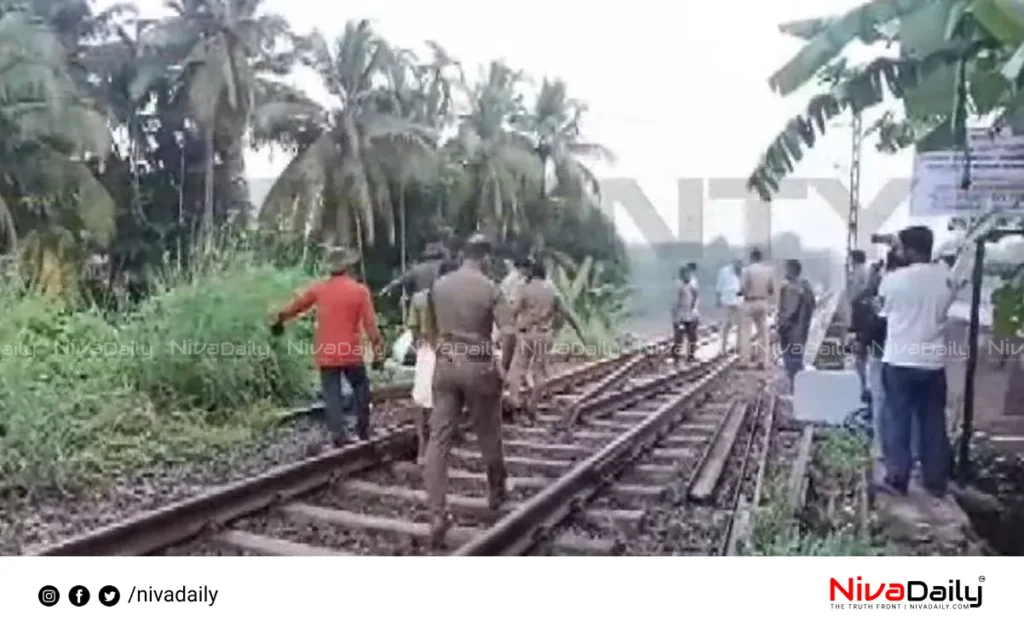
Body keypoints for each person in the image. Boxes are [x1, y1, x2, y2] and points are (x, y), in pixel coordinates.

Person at [422, 233, 508, 548]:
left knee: (438, 440)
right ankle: (496, 492)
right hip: (479, 366)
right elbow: (509, 333)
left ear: (463, 254)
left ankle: (436, 514)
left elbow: (429, 330)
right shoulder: (491, 289)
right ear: (484, 257)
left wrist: (443, 351)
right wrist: (505, 365)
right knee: (488, 432)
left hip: (445, 366)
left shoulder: (439, 285)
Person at [271, 246, 384, 447]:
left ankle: (338, 435)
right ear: (348, 267)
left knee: (331, 393)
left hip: (327, 352)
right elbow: (371, 326)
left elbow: (296, 306)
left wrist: (280, 319)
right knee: (361, 387)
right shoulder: (359, 291)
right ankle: (363, 430)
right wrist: (378, 354)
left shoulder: (319, 289)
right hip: (350, 351)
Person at [878, 226, 958, 498]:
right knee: (933, 421)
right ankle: (936, 481)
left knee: (897, 419)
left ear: (909, 250)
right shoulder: (946, 277)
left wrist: (891, 263)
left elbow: (882, 309)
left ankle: (897, 479)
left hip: (899, 360)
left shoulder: (894, 279)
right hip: (932, 362)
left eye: (900, 247)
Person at [506, 260, 584, 420]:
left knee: (519, 367)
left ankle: (515, 402)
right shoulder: (552, 291)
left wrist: (509, 326)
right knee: (539, 371)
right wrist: (580, 333)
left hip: (526, 334)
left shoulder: (524, 289)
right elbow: (566, 313)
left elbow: (513, 311)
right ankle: (532, 406)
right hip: (545, 335)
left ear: (532, 273)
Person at [408, 258, 458, 465]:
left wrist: (418, 342)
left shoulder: (420, 298)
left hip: (427, 350)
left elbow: (413, 328)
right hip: (448, 350)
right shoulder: (458, 299)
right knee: (444, 398)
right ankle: (437, 445)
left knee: (421, 398)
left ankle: (423, 445)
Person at [777, 259, 816, 393]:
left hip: (790, 330)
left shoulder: (788, 287)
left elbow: (787, 310)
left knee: (790, 361)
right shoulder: (806, 286)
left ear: (790, 270)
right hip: (802, 329)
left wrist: (781, 324)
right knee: (797, 358)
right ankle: (798, 387)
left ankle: (795, 389)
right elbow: (813, 305)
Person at [739, 247, 776, 369]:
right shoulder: (768, 271)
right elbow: (771, 290)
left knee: (745, 332)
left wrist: (740, 293)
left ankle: (744, 361)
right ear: (761, 258)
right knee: (763, 333)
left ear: (752, 257)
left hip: (749, 302)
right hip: (762, 302)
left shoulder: (747, 270)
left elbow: (743, 288)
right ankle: (762, 361)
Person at [497, 256, 532, 376]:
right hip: (512, 319)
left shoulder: (508, 279)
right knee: (512, 353)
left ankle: (504, 378)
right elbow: (513, 302)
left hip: (506, 318)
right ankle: (506, 378)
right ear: (523, 268)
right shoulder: (517, 281)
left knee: (509, 353)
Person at [378, 242, 450, 298]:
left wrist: (386, 288)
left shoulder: (418, 269)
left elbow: (400, 280)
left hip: (421, 298)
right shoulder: (443, 266)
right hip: (437, 298)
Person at [847, 249, 870, 398]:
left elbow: (857, 292)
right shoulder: (864, 271)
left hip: (860, 313)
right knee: (861, 352)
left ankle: (862, 386)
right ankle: (862, 384)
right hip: (862, 312)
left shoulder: (858, 272)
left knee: (860, 352)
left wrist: (853, 301)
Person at [671, 265, 700, 363]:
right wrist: (677, 319)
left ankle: (691, 356)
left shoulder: (693, 283)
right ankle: (676, 357)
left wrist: (695, 310)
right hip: (680, 315)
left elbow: (696, 297)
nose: (688, 276)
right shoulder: (678, 286)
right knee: (679, 339)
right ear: (682, 275)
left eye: (689, 274)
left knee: (693, 337)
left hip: (692, 314)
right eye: (686, 274)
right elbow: (674, 303)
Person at [716, 259, 742, 355]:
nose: (739, 264)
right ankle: (722, 348)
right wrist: (718, 299)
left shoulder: (743, 271)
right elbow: (718, 286)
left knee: (741, 325)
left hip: (740, 301)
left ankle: (739, 347)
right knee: (726, 325)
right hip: (727, 301)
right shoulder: (724, 271)